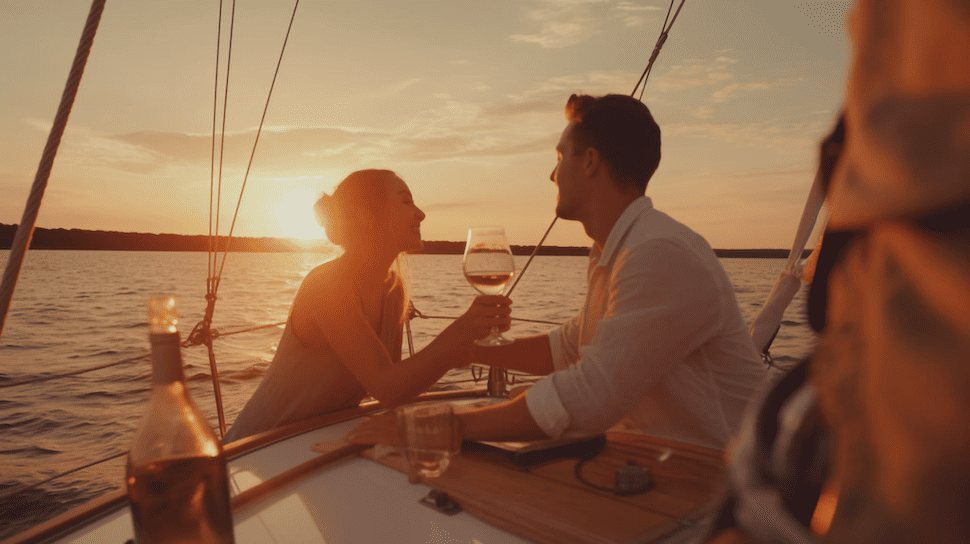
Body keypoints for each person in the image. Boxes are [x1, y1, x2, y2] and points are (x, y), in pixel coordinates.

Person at [348, 94, 767, 451]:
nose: (552, 174)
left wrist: (439, 426)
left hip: (728, 482)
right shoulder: (618, 250)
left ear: (589, 162)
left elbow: (589, 397)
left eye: (559, 157)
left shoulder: (659, 253)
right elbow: (571, 347)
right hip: (665, 468)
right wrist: (470, 352)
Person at [223, 169, 511, 443]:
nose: (421, 213)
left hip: (317, 436)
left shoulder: (394, 289)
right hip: (260, 445)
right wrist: (457, 336)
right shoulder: (327, 286)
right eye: (406, 201)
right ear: (367, 216)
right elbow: (388, 389)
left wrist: (467, 349)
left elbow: (401, 385)